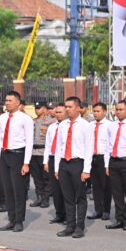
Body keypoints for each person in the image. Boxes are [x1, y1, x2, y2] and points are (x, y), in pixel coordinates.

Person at [54, 96, 93, 238]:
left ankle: (79, 227)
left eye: (70, 107)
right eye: (66, 106)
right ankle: (70, 226)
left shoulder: (85, 125)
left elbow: (89, 149)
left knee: (80, 197)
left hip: (78, 163)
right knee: (67, 197)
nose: (67, 109)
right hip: (64, 163)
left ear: (78, 108)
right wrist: (57, 168)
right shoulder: (63, 125)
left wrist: (86, 170)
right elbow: (59, 147)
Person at [0, 91, 34, 233]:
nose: (7, 103)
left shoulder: (25, 119)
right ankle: (11, 219)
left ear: (18, 102)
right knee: (8, 189)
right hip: (5, 155)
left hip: (18, 155)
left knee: (18, 190)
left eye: (10, 100)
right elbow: (0, 139)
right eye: (6, 100)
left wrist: (26, 163)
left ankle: (19, 220)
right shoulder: (2, 118)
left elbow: (29, 141)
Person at [105, 100, 126, 231]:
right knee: (117, 193)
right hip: (114, 162)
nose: (117, 112)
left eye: (120, 109)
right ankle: (119, 219)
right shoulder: (112, 126)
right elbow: (109, 146)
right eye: (116, 109)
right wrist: (107, 164)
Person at [44, 103, 68, 225]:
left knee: (65, 189)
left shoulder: (69, 126)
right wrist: (46, 161)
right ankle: (59, 214)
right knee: (56, 189)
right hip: (52, 159)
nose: (58, 114)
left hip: (64, 160)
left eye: (61, 112)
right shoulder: (52, 127)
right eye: (57, 112)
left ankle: (68, 216)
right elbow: (48, 145)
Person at [88, 102, 112, 220]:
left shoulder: (109, 125)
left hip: (104, 158)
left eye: (98, 111)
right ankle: (98, 210)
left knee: (105, 185)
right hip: (92, 158)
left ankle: (106, 210)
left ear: (104, 112)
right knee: (95, 185)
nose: (95, 113)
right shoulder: (90, 125)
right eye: (94, 111)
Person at [30, 101, 53, 208]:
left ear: (44, 109)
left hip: (44, 152)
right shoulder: (32, 121)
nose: (37, 110)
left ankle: (45, 198)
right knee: (36, 177)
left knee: (46, 177)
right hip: (33, 152)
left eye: (39, 108)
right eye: (36, 108)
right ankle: (39, 197)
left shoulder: (51, 122)